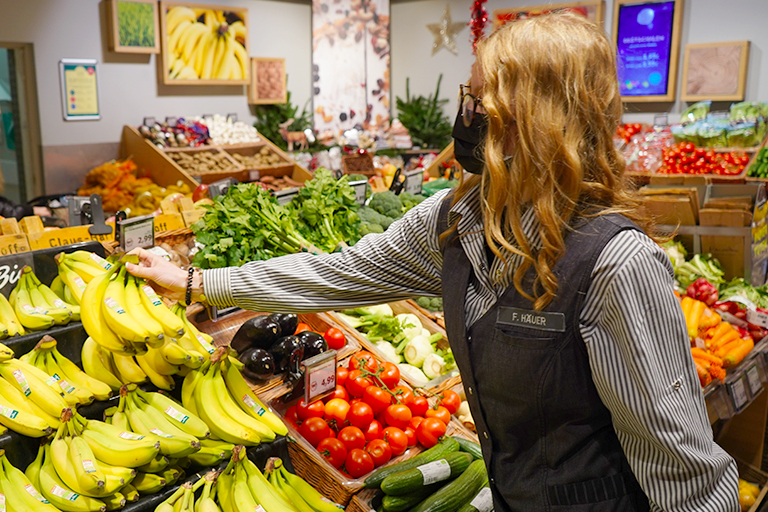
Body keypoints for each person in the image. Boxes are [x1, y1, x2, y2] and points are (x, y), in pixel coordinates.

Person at [128, 12, 738, 512]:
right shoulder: (459, 219)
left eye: (480, 96)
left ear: (538, 115)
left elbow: (679, 463)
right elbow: (343, 271)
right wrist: (198, 280)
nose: (466, 114)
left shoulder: (616, 265)